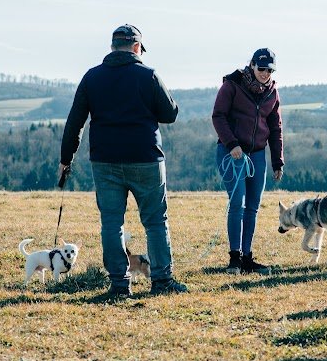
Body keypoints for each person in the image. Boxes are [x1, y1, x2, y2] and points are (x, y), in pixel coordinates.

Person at [60, 24, 188, 298]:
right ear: (136, 47)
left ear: (112, 47)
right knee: (155, 221)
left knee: (111, 222)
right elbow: (170, 113)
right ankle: (162, 281)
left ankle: (119, 284)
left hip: (105, 161)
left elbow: (75, 122)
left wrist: (66, 158)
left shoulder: (91, 78)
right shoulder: (148, 75)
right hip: (146, 159)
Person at [212, 48, 284, 274]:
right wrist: (232, 144)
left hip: (258, 156)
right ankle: (234, 258)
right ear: (252, 65)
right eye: (261, 68)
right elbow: (218, 116)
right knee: (238, 204)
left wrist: (277, 160)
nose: (265, 73)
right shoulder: (232, 85)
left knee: (252, 207)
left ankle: (247, 257)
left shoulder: (272, 92)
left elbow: (275, 127)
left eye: (270, 69)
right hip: (231, 152)